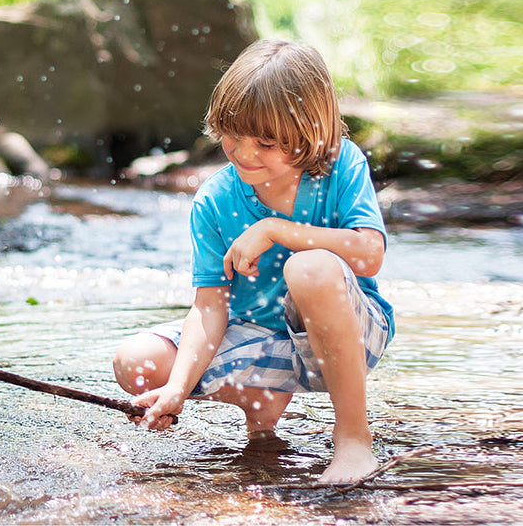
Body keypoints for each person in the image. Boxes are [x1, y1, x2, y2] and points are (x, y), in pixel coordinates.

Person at [112, 39, 395, 484]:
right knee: (136, 362)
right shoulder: (215, 199)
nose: (244, 153)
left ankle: (354, 441)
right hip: (259, 340)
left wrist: (276, 229)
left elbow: (369, 255)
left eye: (265, 143)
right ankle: (260, 400)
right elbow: (209, 307)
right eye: (233, 136)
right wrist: (176, 391)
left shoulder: (341, 165)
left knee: (310, 267)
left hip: (349, 334)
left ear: (310, 135)